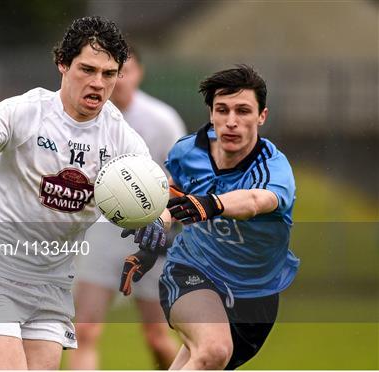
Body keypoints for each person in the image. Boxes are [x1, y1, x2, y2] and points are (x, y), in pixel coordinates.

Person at [0, 16, 168, 370]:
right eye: (87, 69)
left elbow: (155, 201)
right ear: (62, 63)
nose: (97, 83)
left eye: (109, 74)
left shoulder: (122, 138)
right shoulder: (27, 111)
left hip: (52, 278)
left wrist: (155, 221)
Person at [124, 64, 300, 369]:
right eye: (222, 110)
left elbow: (257, 200)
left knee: (203, 359)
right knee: (214, 350)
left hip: (255, 293)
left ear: (262, 116)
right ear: (211, 113)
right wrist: (156, 227)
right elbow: (171, 197)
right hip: (191, 271)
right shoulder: (187, 152)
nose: (231, 121)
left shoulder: (274, 168)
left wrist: (212, 203)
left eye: (243, 111)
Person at [68, 51, 185, 370]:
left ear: (139, 74)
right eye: (112, 72)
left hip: (150, 236)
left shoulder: (161, 120)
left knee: (157, 336)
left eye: (125, 71)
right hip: (102, 235)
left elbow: (179, 181)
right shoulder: (85, 117)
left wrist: (158, 219)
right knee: (85, 332)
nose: (118, 79)